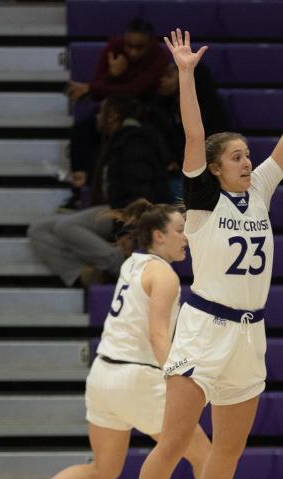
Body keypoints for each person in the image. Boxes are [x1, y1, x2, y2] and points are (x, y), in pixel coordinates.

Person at [114, 28, 283, 479]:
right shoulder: (203, 200)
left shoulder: (261, 192)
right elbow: (194, 131)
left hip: (251, 333)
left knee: (228, 447)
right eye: (236, 156)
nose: (248, 161)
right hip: (205, 327)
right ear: (214, 168)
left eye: (248, 155)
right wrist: (184, 75)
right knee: (176, 438)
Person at [5, 200, 283, 479]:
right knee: (203, 454)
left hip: (103, 376)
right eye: (178, 230)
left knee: (104, 468)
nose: (186, 237)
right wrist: (179, 374)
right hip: (137, 376)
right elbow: (158, 336)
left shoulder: (132, 264)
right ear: (158, 235)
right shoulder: (165, 276)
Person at [28, 94, 171, 286]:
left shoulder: (135, 142)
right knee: (38, 230)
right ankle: (85, 274)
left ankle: (122, 266)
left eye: (100, 112)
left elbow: (141, 194)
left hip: (133, 215)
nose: (97, 117)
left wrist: (129, 233)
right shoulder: (116, 139)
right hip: (114, 209)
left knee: (66, 226)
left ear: (112, 116)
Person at [66, 18, 170, 208]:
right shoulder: (114, 47)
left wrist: (96, 86)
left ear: (151, 45)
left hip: (144, 109)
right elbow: (98, 90)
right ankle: (80, 188)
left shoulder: (159, 56)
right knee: (81, 130)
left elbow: (137, 89)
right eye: (129, 46)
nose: (132, 52)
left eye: (139, 48)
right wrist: (111, 76)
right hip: (112, 105)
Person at [145, 62, 230, 204]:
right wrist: (170, 160)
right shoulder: (158, 107)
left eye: (168, 76)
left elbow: (217, 142)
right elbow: (158, 141)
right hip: (172, 172)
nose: (162, 81)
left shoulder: (213, 107)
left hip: (206, 169)